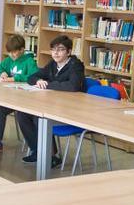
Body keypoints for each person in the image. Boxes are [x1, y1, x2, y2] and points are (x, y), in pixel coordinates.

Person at [16, 35, 85, 166]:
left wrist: (47, 84)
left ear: (69, 52)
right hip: (54, 104)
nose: (56, 53)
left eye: (60, 49)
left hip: (70, 108)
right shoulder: (53, 64)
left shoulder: (76, 65)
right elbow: (32, 77)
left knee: (40, 117)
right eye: (53, 50)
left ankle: (51, 155)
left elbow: (73, 86)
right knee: (22, 114)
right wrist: (38, 80)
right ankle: (37, 151)